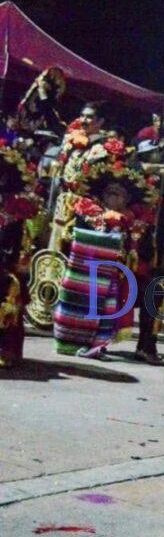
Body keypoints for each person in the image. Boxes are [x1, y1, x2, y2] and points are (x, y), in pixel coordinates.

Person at [52, 142, 164, 363]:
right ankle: (91, 341)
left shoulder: (138, 223)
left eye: (120, 194)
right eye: (110, 193)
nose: (115, 198)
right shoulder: (87, 214)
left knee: (154, 291)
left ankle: (146, 348)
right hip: (92, 278)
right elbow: (71, 244)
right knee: (100, 283)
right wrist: (105, 226)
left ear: (127, 199)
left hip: (126, 279)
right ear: (102, 196)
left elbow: (147, 256)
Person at [0, 143, 41, 368]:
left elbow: (12, 247)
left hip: (6, 264)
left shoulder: (13, 210)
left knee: (8, 286)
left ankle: (6, 347)